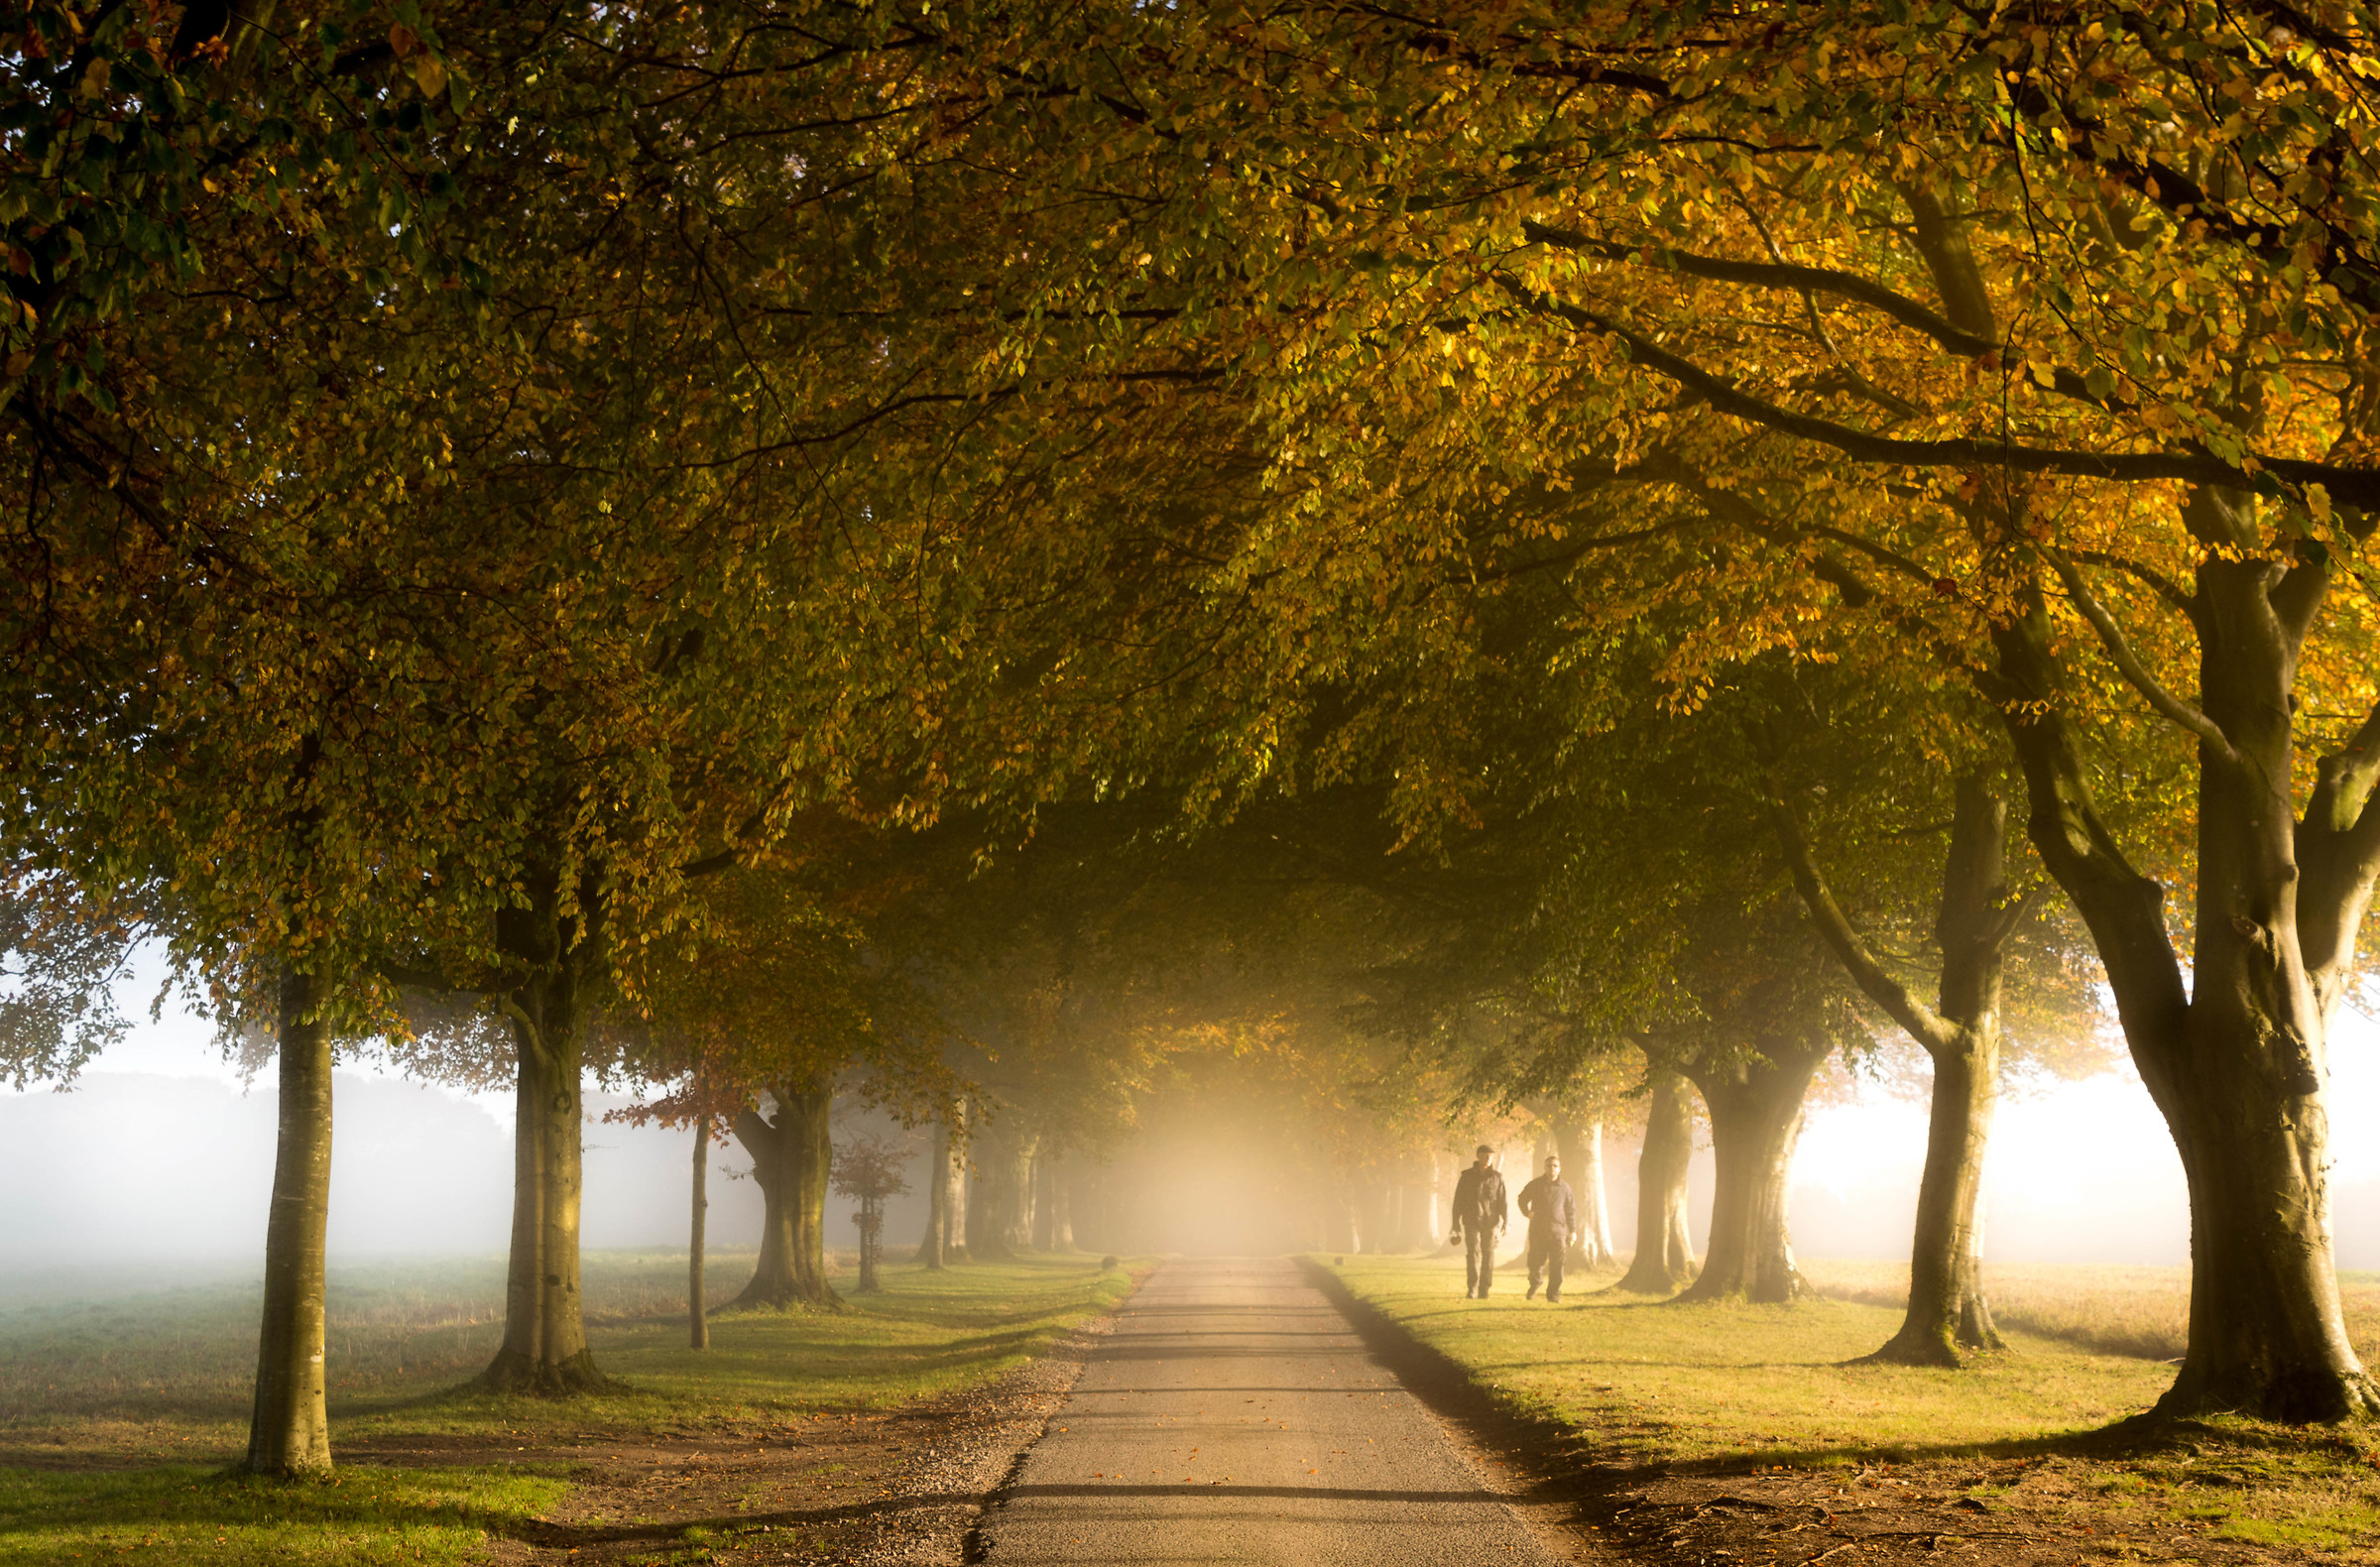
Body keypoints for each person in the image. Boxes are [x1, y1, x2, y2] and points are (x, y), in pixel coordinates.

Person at [1517, 1153, 1580, 1303]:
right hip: (1538, 1231)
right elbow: (1522, 1199)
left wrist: (1573, 1231)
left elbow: (1570, 1210)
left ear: (1560, 1169)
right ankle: (1535, 1283)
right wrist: (1527, 1212)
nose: (1552, 1169)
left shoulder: (1565, 1188)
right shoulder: (1535, 1184)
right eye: (1549, 1166)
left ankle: (1553, 1294)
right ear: (1544, 1168)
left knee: (1557, 1265)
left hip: (1558, 1232)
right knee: (1535, 1262)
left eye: (1555, 1166)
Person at [1448, 1145, 1508, 1298]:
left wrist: (1505, 1222)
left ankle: (1484, 1289)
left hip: (1491, 1221)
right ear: (1478, 1156)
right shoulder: (1466, 1176)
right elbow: (1458, 1201)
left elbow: (1503, 1201)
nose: (1488, 1159)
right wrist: (1455, 1224)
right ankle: (1472, 1288)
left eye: (1491, 1156)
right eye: (1485, 1155)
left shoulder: (1497, 1177)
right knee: (1472, 1254)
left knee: (1488, 1255)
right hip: (1471, 1220)